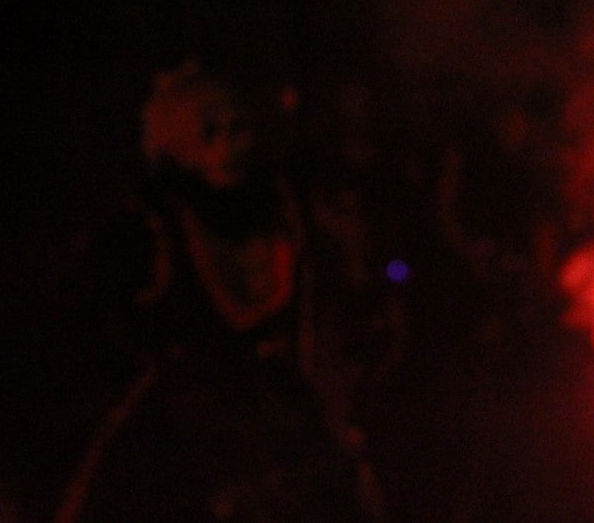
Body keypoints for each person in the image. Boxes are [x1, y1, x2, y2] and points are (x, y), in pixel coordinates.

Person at [63, 61, 366, 521]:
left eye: (237, 128)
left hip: (277, 419)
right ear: (173, 143)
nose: (228, 143)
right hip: (185, 431)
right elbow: (100, 329)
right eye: (209, 131)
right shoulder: (150, 230)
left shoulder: (278, 211)